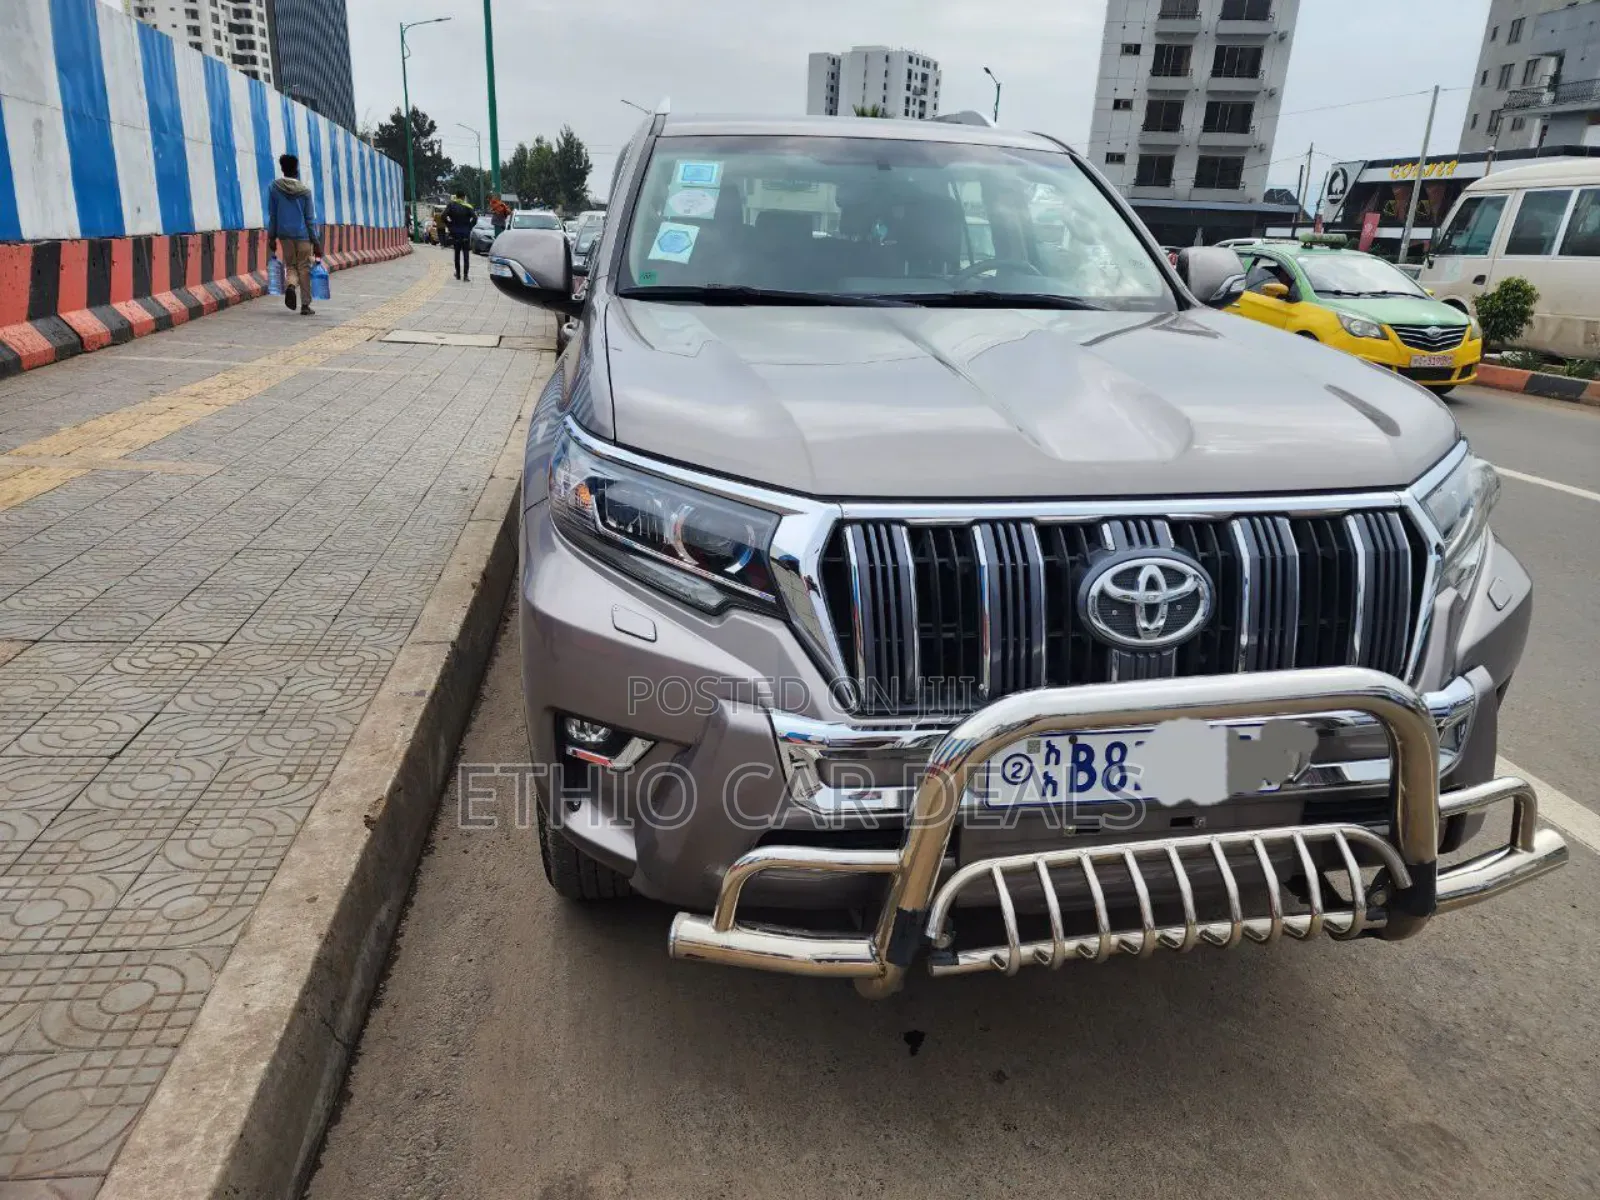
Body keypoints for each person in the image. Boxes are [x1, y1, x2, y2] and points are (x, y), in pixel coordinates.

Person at [266, 153, 323, 316]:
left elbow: (273, 215)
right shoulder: (305, 192)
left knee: (291, 265)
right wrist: (316, 241)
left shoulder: (274, 188)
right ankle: (305, 305)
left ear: (282, 169)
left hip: (284, 235)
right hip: (303, 235)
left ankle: (291, 285)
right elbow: (310, 219)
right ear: (296, 170)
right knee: (304, 268)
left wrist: (272, 237)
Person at [444, 193, 476, 281]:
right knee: (466, 254)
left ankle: (458, 274)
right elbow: (475, 218)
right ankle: (465, 276)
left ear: (456, 197)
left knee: (457, 254)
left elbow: (443, 216)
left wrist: (450, 225)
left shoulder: (451, 205)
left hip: (455, 234)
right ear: (464, 197)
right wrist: (469, 227)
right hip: (465, 233)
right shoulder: (468, 206)